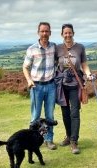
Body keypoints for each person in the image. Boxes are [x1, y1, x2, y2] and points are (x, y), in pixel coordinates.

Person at [55, 23, 96, 154]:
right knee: (65, 113)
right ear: (62, 34)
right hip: (62, 85)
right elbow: (53, 65)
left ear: (73, 33)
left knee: (74, 113)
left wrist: (88, 75)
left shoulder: (80, 48)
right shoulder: (58, 48)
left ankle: (74, 141)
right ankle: (68, 136)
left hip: (75, 84)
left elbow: (84, 64)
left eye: (70, 32)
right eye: (65, 33)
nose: (68, 35)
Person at [23, 22, 57, 150]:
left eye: (46, 31)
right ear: (38, 32)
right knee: (35, 116)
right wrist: (29, 80)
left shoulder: (54, 47)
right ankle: (32, 140)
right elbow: (25, 67)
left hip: (51, 86)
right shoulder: (32, 49)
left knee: (50, 116)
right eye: (42, 31)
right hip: (36, 87)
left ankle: (49, 140)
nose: (44, 34)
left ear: (50, 33)